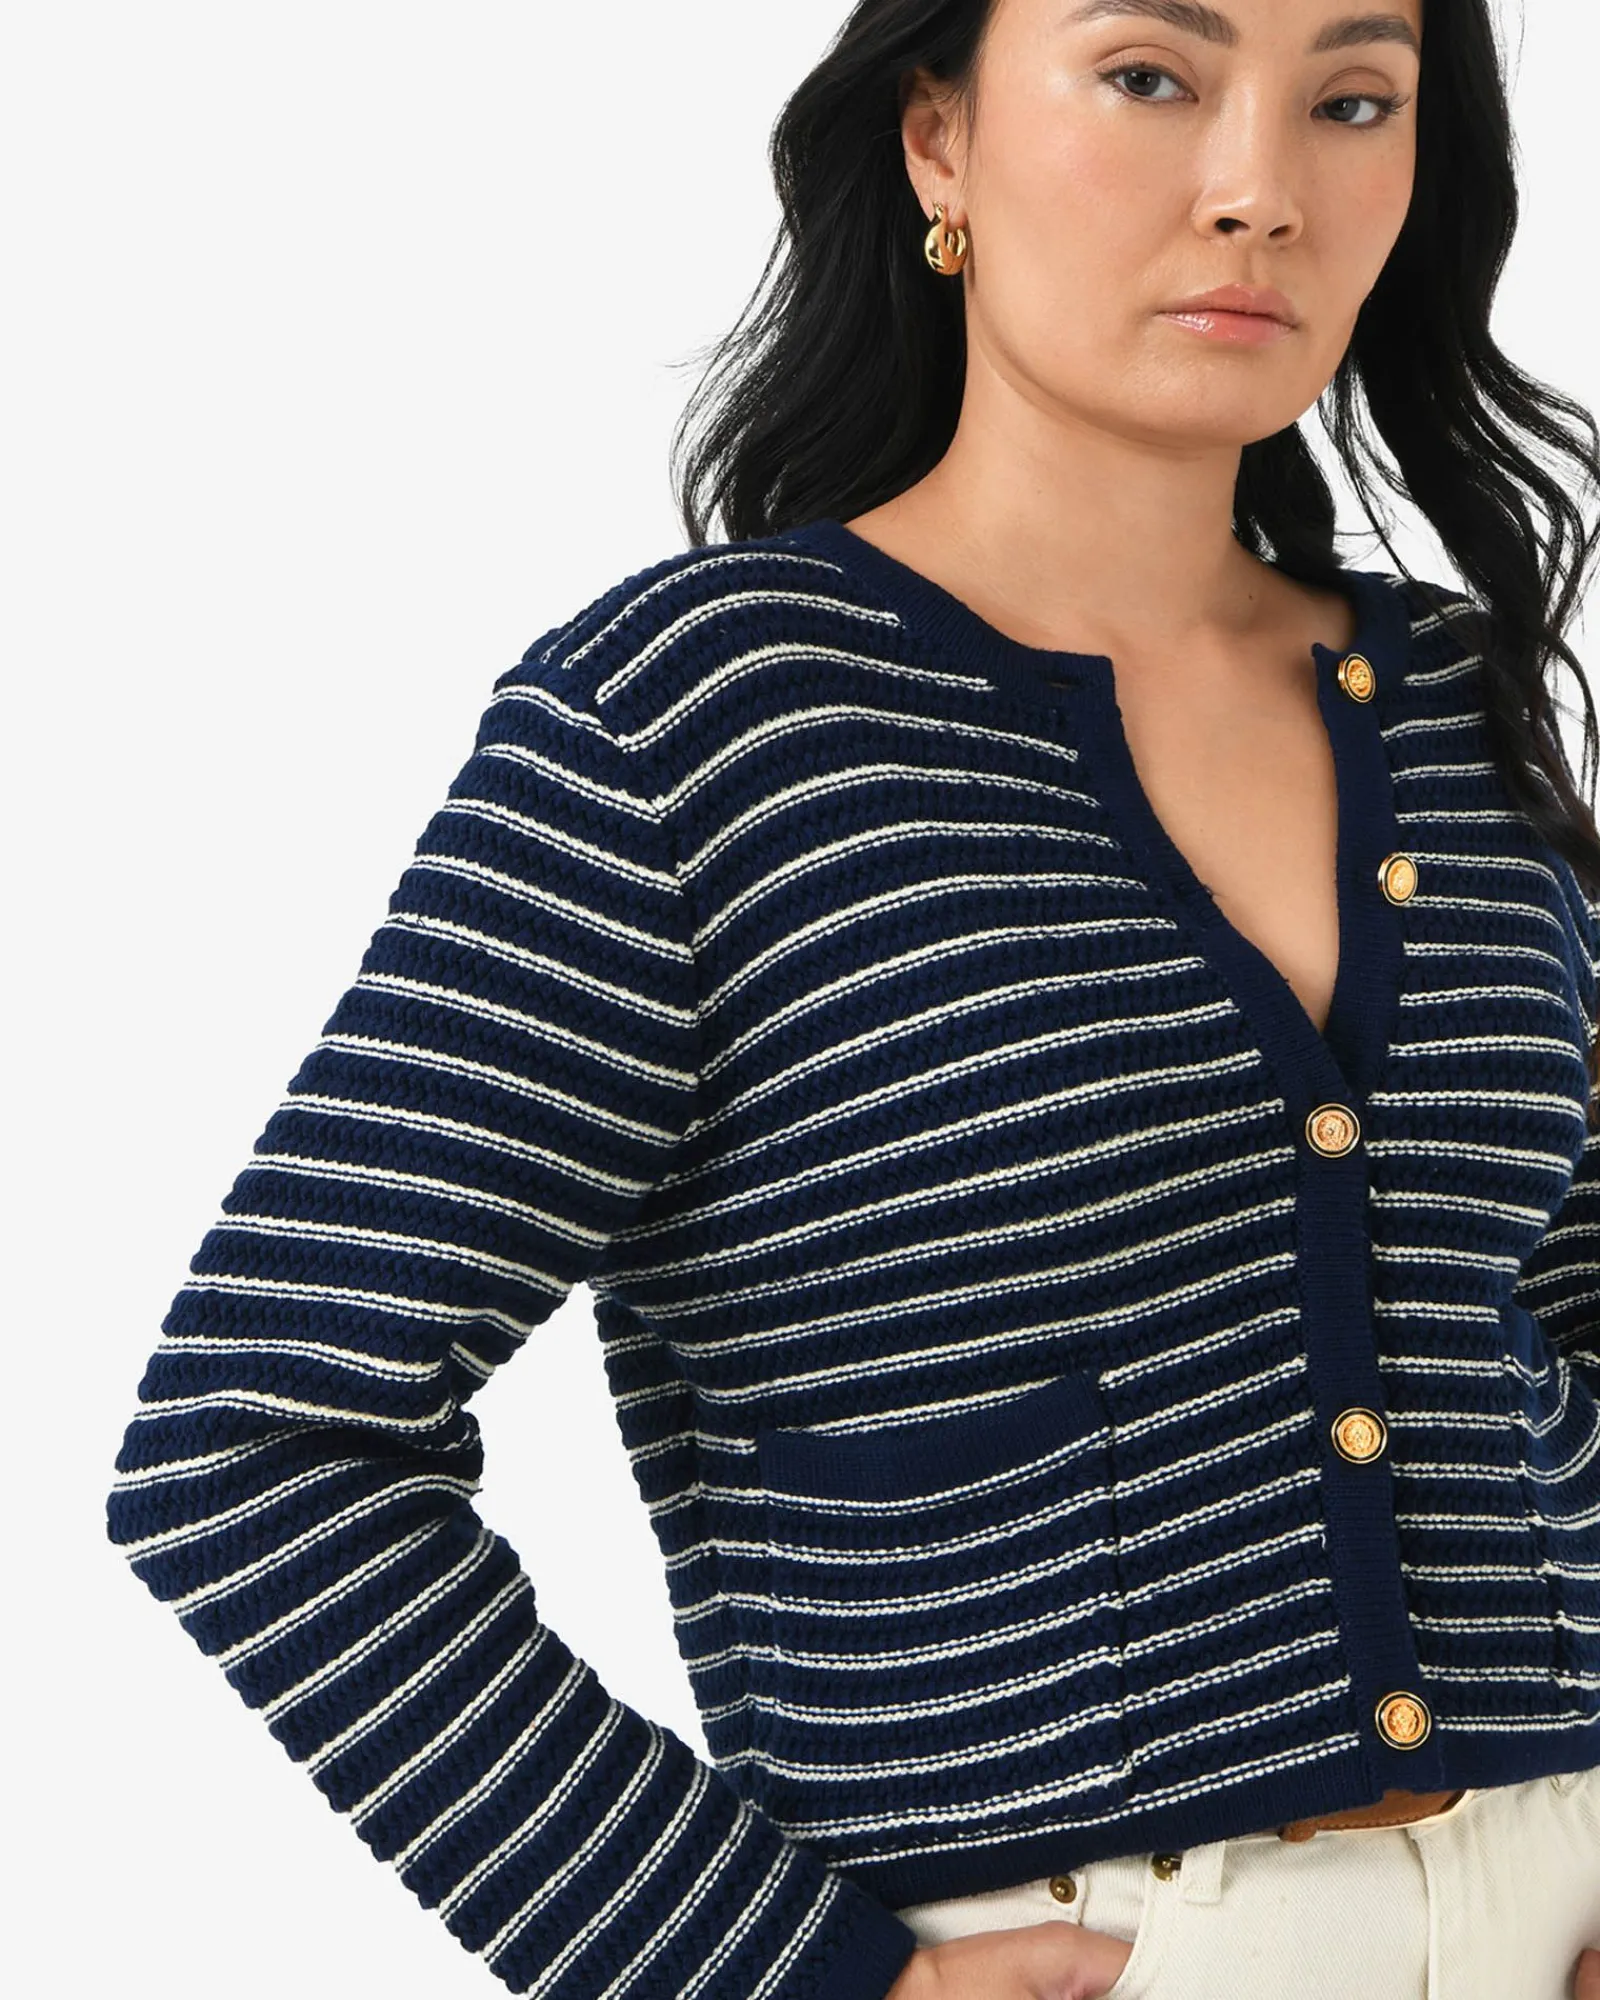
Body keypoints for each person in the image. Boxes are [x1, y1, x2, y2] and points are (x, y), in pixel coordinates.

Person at [105, 1, 1600, 1995]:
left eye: (1350, 101)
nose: (1259, 190)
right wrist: (773, 1967)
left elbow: (1568, 1305)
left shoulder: (1452, 703)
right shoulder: (697, 726)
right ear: (935, 143)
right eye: (1148, 77)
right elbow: (257, 1439)